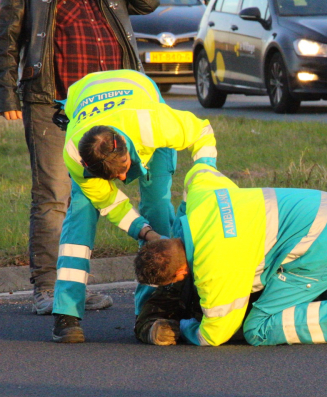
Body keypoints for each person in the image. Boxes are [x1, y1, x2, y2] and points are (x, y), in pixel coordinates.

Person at [133, 164, 327, 347]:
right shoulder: (202, 200)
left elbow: (214, 334)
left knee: (258, 329)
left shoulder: (215, 268)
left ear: (179, 274)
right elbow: (200, 172)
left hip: (322, 245)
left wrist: (183, 330)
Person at [0, 0, 159, 315]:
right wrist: (5, 92)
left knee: (85, 197)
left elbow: (147, 5)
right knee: (53, 194)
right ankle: (48, 288)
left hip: (110, 104)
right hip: (52, 101)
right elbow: (5, 37)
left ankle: (73, 288)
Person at [51, 69, 218, 343]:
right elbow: (111, 204)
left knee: (159, 209)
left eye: (122, 171)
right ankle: (66, 313)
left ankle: (152, 311)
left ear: (128, 151)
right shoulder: (74, 153)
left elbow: (203, 131)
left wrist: (202, 180)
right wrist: (144, 233)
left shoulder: (153, 124)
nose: (119, 180)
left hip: (139, 93)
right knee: (80, 218)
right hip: (84, 96)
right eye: (110, 177)